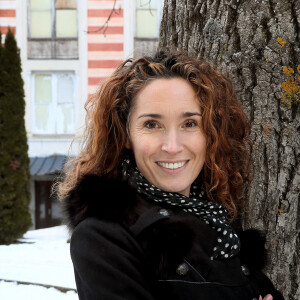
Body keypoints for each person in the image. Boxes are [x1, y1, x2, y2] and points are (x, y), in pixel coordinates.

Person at [59, 50, 284, 300]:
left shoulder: (220, 221)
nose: (172, 146)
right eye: (152, 125)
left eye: (189, 124)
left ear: (210, 133)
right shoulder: (104, 236)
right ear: (126, 136)